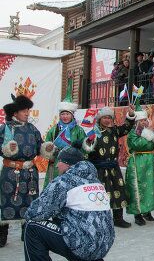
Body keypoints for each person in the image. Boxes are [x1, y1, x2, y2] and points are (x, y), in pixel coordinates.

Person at [23, 143, 115, 261]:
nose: (57, 166)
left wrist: (27, 214)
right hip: (104, 244)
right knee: (79, 225)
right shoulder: (96, 181)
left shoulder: (64, 181)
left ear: (67, 163)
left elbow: (37, 212)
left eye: (59, 161)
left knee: (32, 227)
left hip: (84, 245)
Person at [0, 95, 54, 248]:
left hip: (30, 172)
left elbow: (40, 146)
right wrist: (6, 149)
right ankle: (2, 234)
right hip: (11, 172)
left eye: (28, 110)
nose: (27, 113)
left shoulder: (32, 128)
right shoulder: (5, 129)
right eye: (24, 111)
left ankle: (27, 234)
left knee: (30, 202)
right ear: (15, 113)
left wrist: (46, 148)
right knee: (6, 201)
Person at [82, 105, 136, 228]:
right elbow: (87, 151)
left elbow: (127, 127)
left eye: (109, 117)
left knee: (119, 192)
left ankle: (118, 219)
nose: (107, 120)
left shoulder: (115, 131)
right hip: (99, 169)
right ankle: (100, 221)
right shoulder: (93, 133)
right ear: (99, 119)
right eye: (104, 117)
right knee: (100, 195)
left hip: (113, 168)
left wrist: (131, 115)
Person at [125, 105, 154, 226]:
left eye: (144, 120)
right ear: (136, 122)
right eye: (141, 120)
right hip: (137, 162)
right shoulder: (132, 133)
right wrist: (150, 137)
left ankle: (147, 210)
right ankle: (137, 214)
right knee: (137, 187)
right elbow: (137, 145)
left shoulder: (151, 132)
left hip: (149, 162)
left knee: (150, 187)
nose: (143, 122)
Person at [43, 82, 86, 189]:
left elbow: (84, 147)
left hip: (73, 163)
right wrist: (49, 151)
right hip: (57, 162)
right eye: (62, 114)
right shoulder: (54, 130)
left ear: (72, 115)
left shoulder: (79, 130)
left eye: (67, 114)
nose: (65, 116)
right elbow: (46, 144)